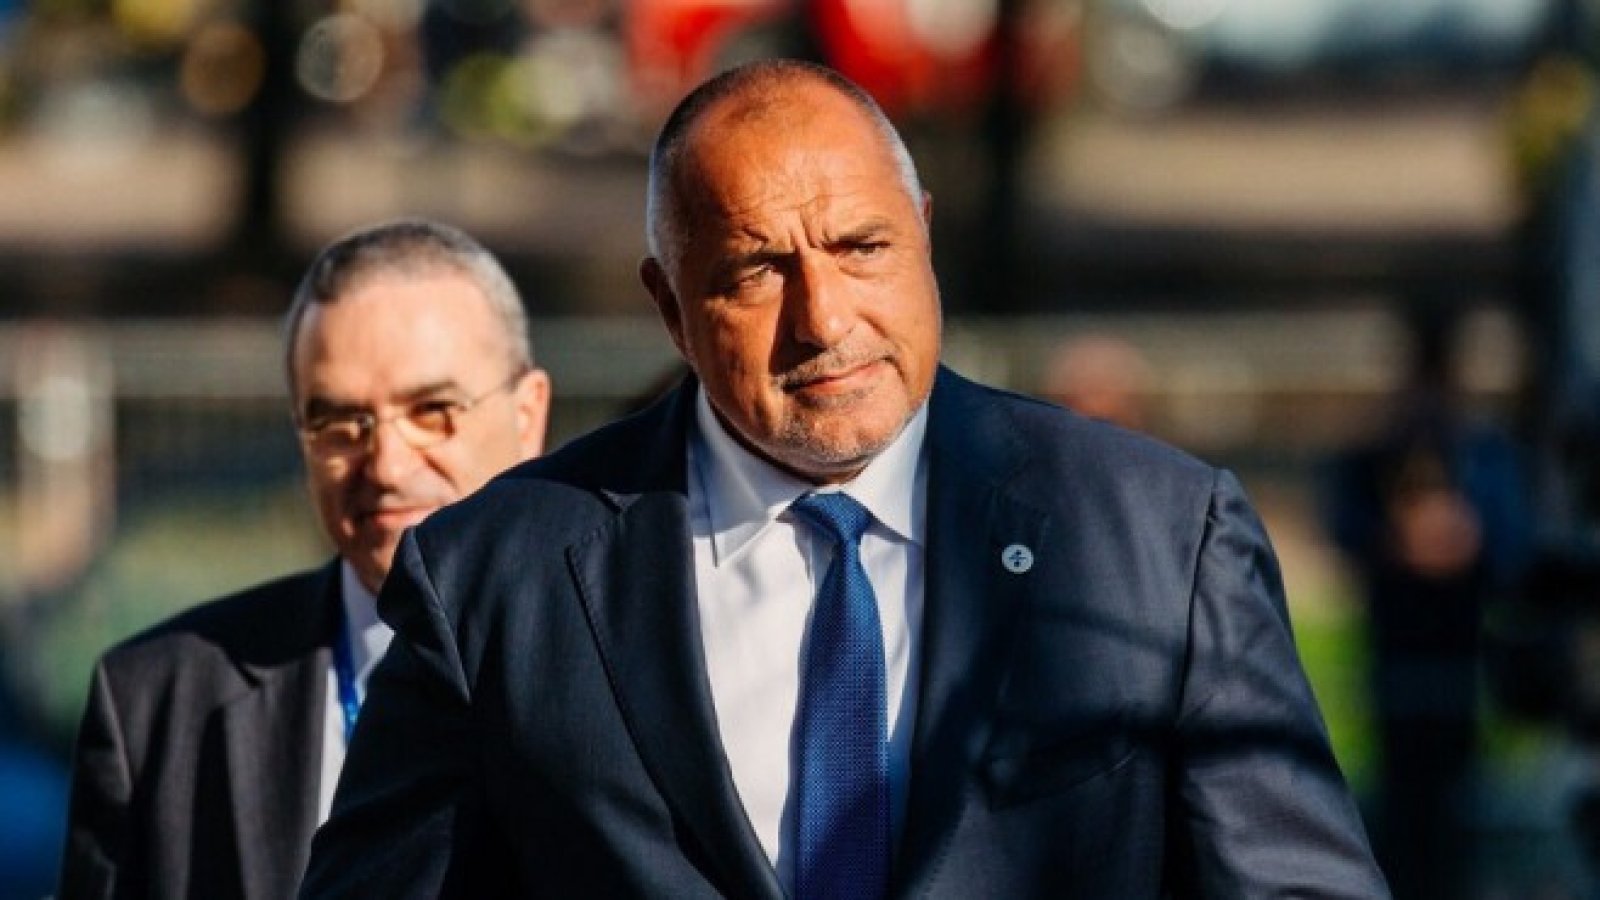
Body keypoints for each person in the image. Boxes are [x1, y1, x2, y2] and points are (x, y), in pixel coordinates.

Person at [302, 61, 1386, 898]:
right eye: (756, 271)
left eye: (862, 248)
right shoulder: (498, 576)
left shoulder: (1155, 538)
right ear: (669, 306)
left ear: (923, 236)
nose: (823, 319)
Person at [57, 219, 552, 900]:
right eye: (339, 423)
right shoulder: (158, 705)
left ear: (528, 416)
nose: (387, 465)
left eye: (432, 410)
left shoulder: (642, 668)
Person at [1321, 302, 1530, 899]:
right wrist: (1400, 543)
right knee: (1404, 808)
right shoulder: (1378, 454)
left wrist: (1463, 542)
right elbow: (1346, 530)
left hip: (1457, 655)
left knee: (1455, 811)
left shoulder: (1481, 452)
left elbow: (1510, 545)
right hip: (1399, 653)